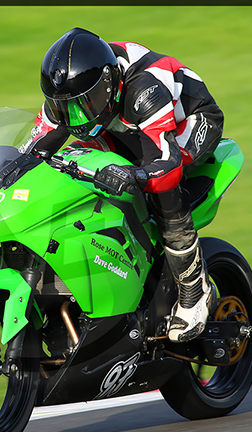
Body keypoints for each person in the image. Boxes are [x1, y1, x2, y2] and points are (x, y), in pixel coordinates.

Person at [23, 27, 224, 343]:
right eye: (65, 108)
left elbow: (167, 162)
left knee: (158, 188)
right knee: (73, 174)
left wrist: (139, 177)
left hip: (189, 122)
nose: (74, 117)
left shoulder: (144, 89)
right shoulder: (71, 97)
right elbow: (32, 151)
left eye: (83, 105)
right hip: (123, 128)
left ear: (107, 84)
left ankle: (194, 290)